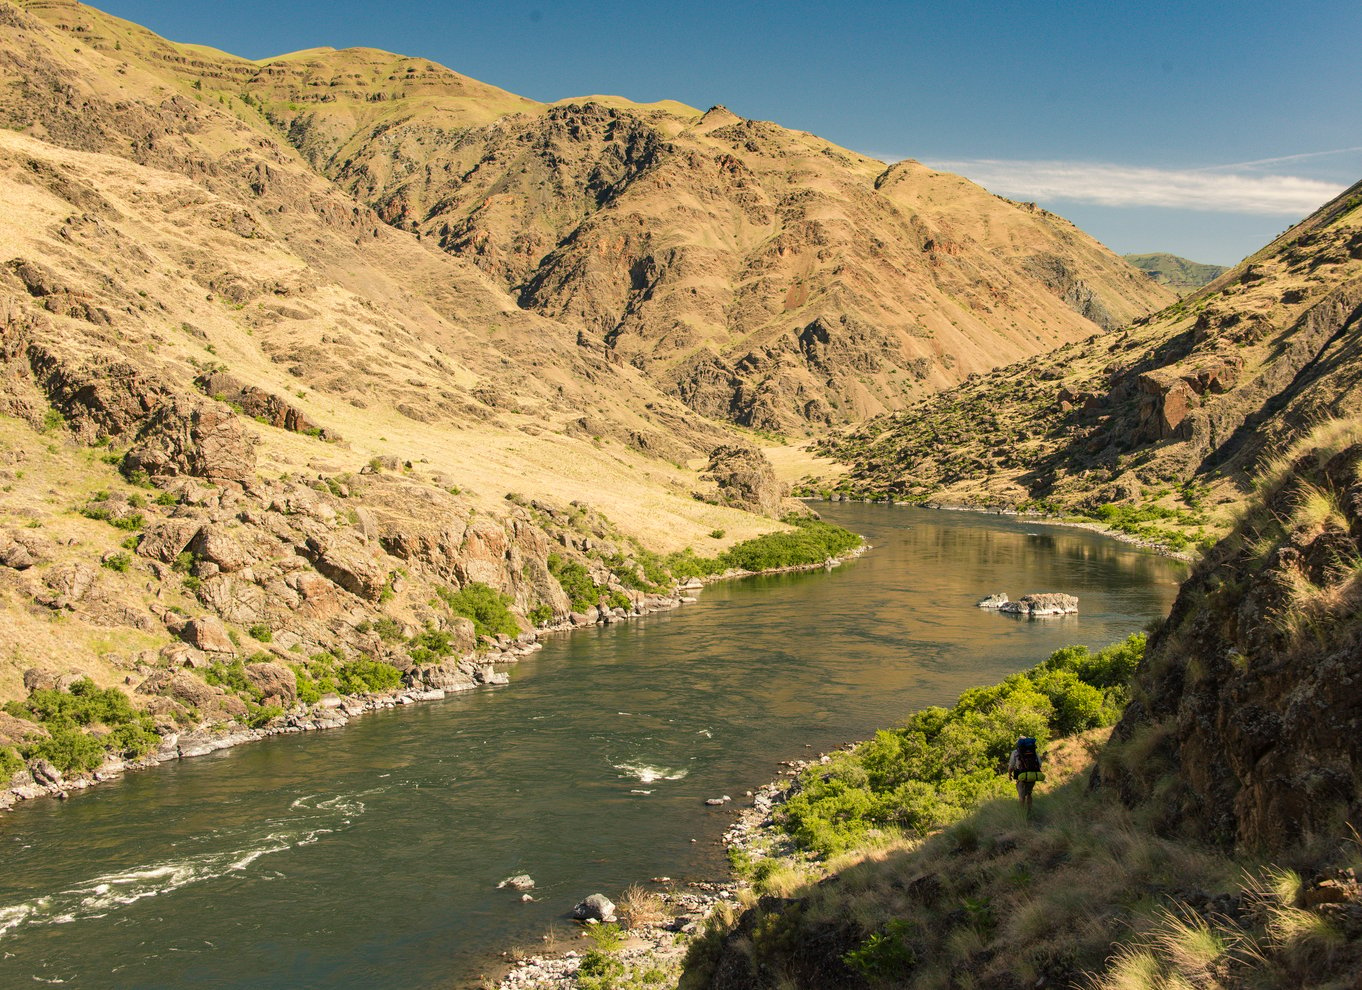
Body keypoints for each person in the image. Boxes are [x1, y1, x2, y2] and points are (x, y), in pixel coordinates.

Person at [1007, 736, 1044, 817]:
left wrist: (1009, 775)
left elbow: (1011, 767)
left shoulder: (1015, 752)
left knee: (1021, 796)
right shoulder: (1034, 752)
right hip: (1032, 776)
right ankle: (1029, 811)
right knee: (1029, 794)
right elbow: (1040, 764)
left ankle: (1022, 814)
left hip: (1021, 777)